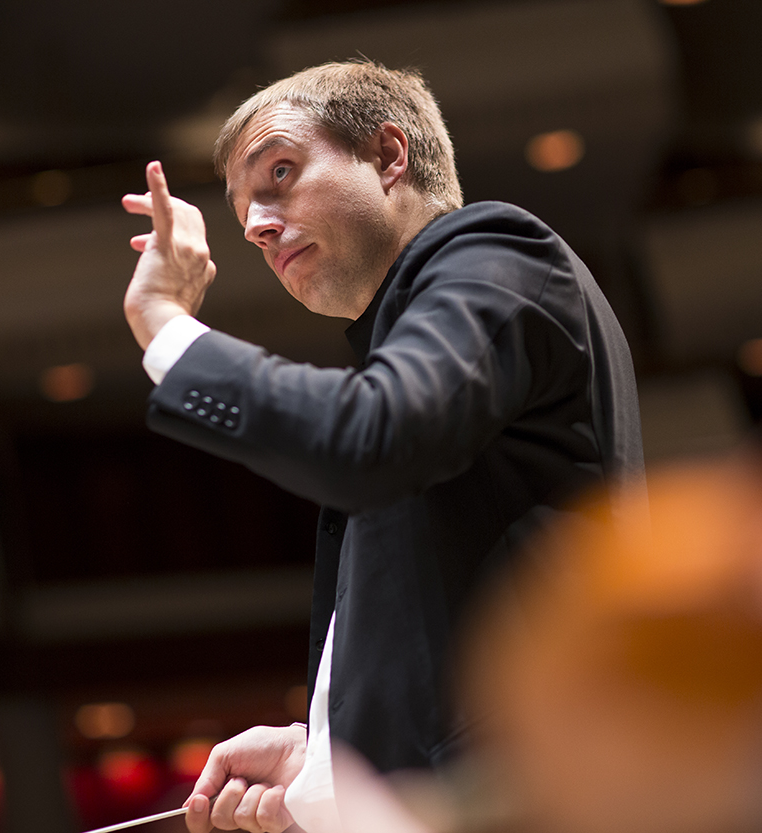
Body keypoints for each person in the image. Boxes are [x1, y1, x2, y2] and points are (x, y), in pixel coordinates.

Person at [119, 60, 644, 832]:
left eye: (281, 173)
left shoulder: (497, 251)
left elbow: (368, 439)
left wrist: (167, 326)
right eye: (244, 217)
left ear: (390, 155)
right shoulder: (410, 347)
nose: (260, 224)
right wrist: (329, 754)